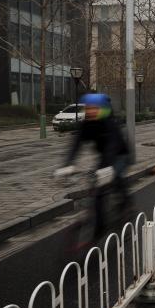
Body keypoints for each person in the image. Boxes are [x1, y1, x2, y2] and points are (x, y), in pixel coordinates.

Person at [54, 93, 130, 237]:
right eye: (88, 109)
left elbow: (112, 145)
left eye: (94, 108)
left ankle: (125, 204)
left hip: (120, 155)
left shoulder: (110, 123)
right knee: (98, 191)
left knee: (116, 177)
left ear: (102, 109)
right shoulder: (86, 124)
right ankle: (99, 225)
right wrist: (67, 165)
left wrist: (107, 169)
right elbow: (76, 145)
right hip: (104, 156)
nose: (90, 111)